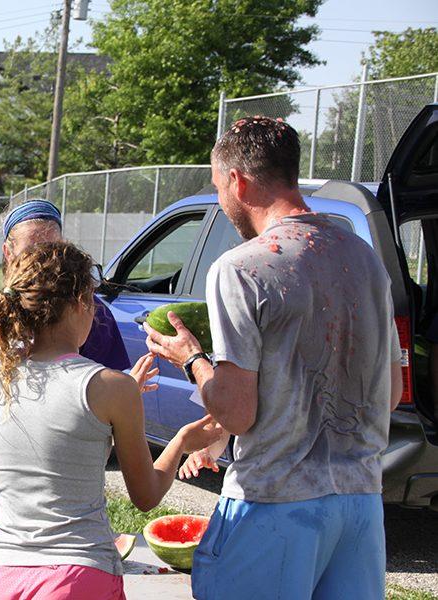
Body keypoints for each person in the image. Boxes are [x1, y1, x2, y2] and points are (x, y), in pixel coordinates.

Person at [145, 116, 403, 600]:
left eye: (219, 187)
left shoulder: (241, 268)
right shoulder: (365, 259)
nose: (222, 203)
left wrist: (191, 358)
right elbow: (390, 394)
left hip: (274, 503)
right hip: (360, 504)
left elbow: (238, 413)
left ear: (238, 182)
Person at [0, 241, 220, 600]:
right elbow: (146, 495)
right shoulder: (112, 389)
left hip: (4, 571)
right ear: (79, 303)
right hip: (78, 573)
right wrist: (182, 440)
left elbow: (53, 424)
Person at [0, 199, 129, 371]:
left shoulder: (89, 310)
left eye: (52, 248)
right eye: (31, 251)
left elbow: (110, 378)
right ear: (8, 252)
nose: (43, 260)